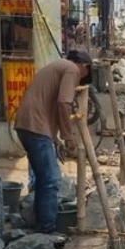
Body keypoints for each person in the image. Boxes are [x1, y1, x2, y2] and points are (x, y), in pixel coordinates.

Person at [13, 49, 93, 233]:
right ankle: (46, 228)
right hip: (35, 125)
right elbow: (64, 103)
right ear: (84, 66)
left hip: (28, 124)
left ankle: (41, 222)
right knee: (51, 179)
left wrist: (55, 138)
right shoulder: (72, 69)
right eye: (84, 76)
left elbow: (49, 103)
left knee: (43, 177)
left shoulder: (57, 67)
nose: (79, 81)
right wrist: (68, 136)